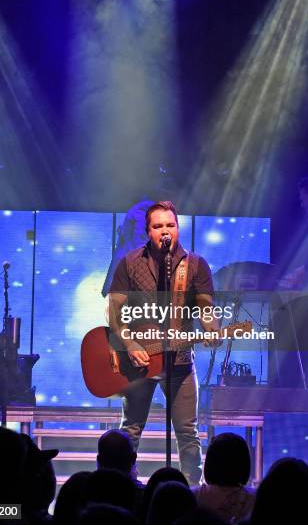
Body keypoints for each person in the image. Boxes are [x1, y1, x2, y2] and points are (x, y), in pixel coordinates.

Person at [108, 200, 220, 485]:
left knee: (187, 431)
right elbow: (115, 311)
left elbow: (206, 309)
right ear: (148, 231)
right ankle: (121, 486)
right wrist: (130, 343)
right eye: (158, 226)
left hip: (180, 362)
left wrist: (211, 327)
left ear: (178, 228)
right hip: (139, 361)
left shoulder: (195, 265)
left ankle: (191, 490)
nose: (165, 231)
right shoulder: (130, 263)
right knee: (130, 429)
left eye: (170, 225)